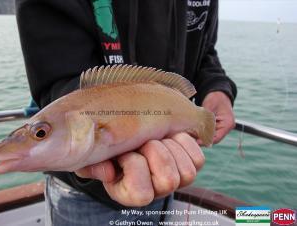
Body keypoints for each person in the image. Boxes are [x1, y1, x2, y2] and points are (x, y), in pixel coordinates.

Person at [15, 0, 237, 225]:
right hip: (86, 199)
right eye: (40, 133)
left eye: (40, 133)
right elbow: (57, 74)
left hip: (166, 175)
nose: (40, 134)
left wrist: (217, 88)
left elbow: (204, 47)